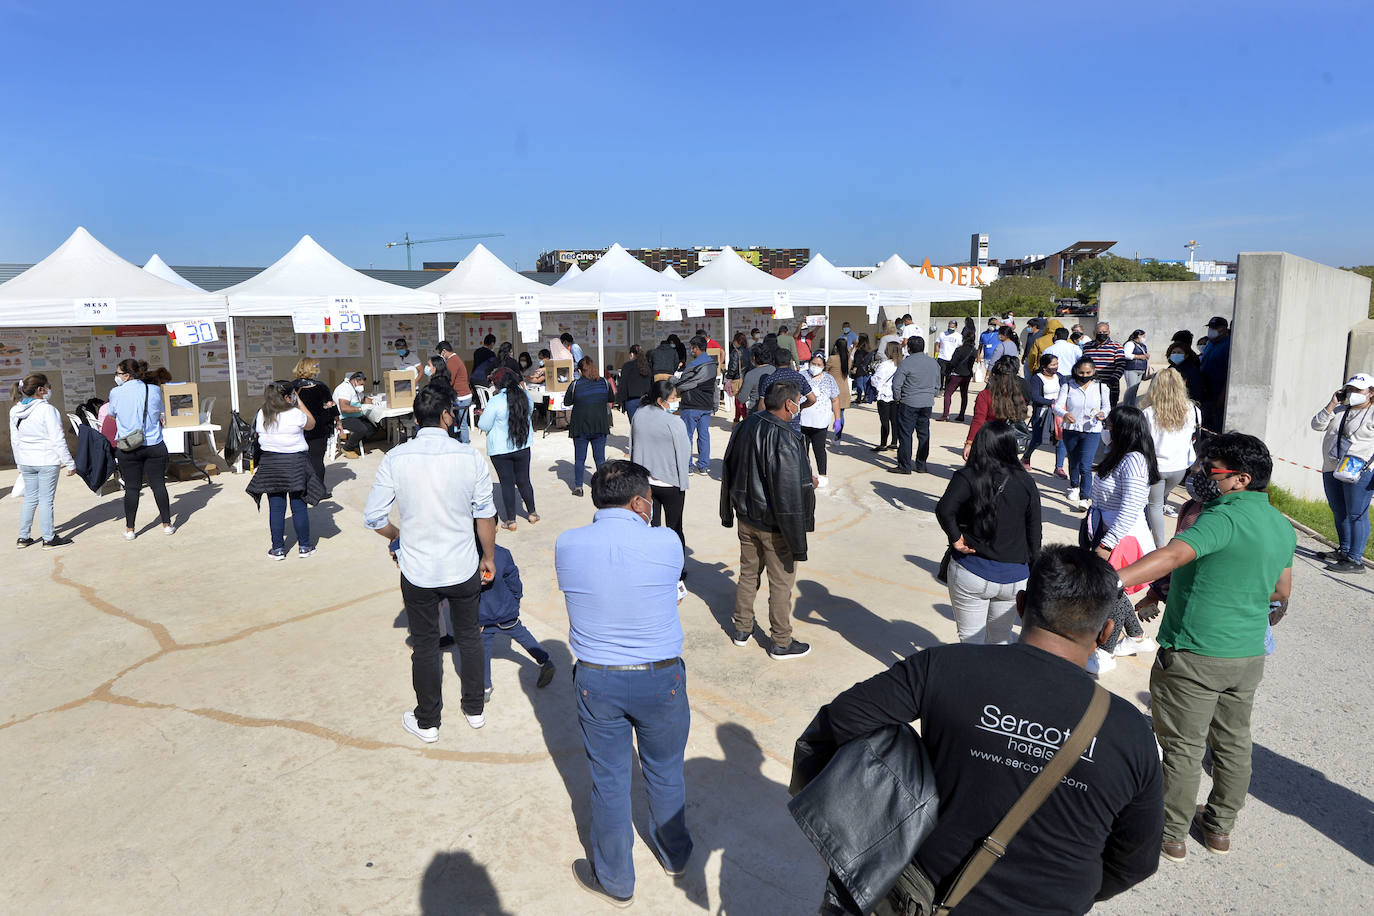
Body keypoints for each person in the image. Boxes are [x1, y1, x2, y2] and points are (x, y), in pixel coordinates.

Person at [802, 545, 1163, 914]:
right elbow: (1136, 861)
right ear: (1105, 632)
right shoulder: (1131, 732)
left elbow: (840, 722)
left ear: (1020, 605)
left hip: (920, 899)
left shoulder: (942, 667)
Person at [1118, 433, 1294, 863]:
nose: (1200, 475)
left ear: (1241, 479)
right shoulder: (1279, 523)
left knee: (1183, 746)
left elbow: (1172, 556)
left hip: (1195, 652)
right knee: (1233, 742)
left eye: (1211, 470)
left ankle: (1170, 834)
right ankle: (1219, 828)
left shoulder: (1220, 519)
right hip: (1247, 654)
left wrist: (1111, 580)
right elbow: (1281, 589)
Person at [555, 460, 691, 907]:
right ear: (637, 503)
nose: (652, 507)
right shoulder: (667, 540)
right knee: (665, 769)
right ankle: (674, 855)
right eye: (649, 500)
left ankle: (616, 881)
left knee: (609, 781)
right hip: (661, 677)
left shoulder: (567, 543)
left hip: (598, 680)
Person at [364, 383, 498, 740]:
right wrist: (488, 556)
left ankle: (428, 721)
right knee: (469, 637)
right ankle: (474, 709)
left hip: (418, 569)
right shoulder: (469, 457)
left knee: (425, 646)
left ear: (415, 417)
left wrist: (397, 537)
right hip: (463, 565)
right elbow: (485, 515)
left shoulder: (396, 458)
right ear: (446, 416)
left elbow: (374, 517)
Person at [720, 380, 816, 660]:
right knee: (781, 583)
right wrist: (797, 536)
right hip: (775, 524)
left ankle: (742, 628)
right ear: (788, 404)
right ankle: (781, 641)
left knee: (748, 573)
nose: (798, 406)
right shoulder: (786, 437)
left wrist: (729, 509)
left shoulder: (745, 425)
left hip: (746, 516)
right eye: (797, 401)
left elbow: (729, 468)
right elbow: (787, 492)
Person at [936, 421, 1042, 644]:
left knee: (970, 640)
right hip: (1014, 577)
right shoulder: (1026, 482)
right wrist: (1032, 574)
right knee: (1001, 638)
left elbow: (945, 509)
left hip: (973, 571)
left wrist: (956, 538)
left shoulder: (968, 475)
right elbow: (1034, 533)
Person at [1083, 405, 1161, 674]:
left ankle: (1105, 654)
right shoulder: (1119, 455)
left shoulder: (1134, 461)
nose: (1105, 430)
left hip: (1122, 538)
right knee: (1115, 588)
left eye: (1109, 426)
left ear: (1123, 429)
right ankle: (1137, 637)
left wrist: (1107, 544)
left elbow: (1130, 507)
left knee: (1111, 592)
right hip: (1109, 532)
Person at [246, 380, 323, 560]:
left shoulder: (262, 413)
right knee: (299, 507)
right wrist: (299, 401)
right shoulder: (295, 413)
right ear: (288, 397)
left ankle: (278, 549)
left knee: (276, 508)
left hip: (270, 464)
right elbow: (311, 423)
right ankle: (304, 546)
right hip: (295, 463)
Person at [1311, 372, 1374, 573]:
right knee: (1338, 510)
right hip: (1332, 466)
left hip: (1358, 470)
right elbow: (1317, 425)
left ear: (1371, 393)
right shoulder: (1339, 410)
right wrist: (1332, 404)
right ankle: (1344, 551)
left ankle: (1355, 559)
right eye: (1350, 389)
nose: (1353, 393)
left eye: (1358, 390)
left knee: (1356, 513)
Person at [107, 359, 175, 539]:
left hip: (128, 446)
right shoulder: (153, 389)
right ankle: (167, 525)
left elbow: (112, 415)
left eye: (118, 373)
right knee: (158, 485)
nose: (116, 377)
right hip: (154, 443)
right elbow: (159, 411)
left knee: (132, 488)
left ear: (126, 375)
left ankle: (130, 529)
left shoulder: (115, 392)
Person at [478, 544, 554, 703]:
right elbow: (513, 580)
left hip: (482, 615)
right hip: (506, 611)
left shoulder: (467, 554)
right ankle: (544, 661)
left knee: (482, 650)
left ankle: (485, 687)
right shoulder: (503, 553)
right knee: (522, 635)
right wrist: (516, 600)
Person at [9, 373, 76, 549]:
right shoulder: (48, 410)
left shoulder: (15, 410)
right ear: (40, 390)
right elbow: (57, 439)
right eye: (48, 386)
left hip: (26, 461)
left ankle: (23, 537)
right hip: (47, 460)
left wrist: (19, 463)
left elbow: (15, 440)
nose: (49, 390)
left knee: (30, 498)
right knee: (46, 500)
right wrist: (69, 462)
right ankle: (49, 538)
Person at [632, 380, 692, 558]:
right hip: (671, 484)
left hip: (646, 483)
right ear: (660, 400)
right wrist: (683, 481)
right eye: (673, 398)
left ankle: (655, 561)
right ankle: (677, 566)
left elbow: (633, 445)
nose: (676, 401)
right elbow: (684, 452)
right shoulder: (674, 422)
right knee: (675, 528)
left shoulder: (639, 415)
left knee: (652, 527)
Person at [1143, 368, 1201, 547]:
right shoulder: (1193, 410)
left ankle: (1159, 546)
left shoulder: (1148, 412)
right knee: (1157, 502)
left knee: (1154, 505)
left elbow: (1143, 442)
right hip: (1180, 467)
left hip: (1155, 467)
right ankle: (1148, 535)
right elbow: (1195, 436)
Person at [477, 369, 538, 532]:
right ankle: (532, 513)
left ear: (498, 383)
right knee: (524, 480)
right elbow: (529, 412)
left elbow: (484, 425)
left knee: (507, 483)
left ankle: (511, 520)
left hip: (500, 449)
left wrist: (482, 414)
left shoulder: (495, 401)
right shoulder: (526, 396)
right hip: (522, 445)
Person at [1054, 356, 1111, 511]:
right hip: (1071, 430)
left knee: (1086, 465)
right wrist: (1065, 414)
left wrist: (1102, 414)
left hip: (1092, 431)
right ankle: (1074, 485)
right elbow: (1057, 406)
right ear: (1075, 371)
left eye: (1088, 373)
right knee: (1074, 460)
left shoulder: (1102, 387)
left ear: (1094, 371)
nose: (1085, 376)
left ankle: (1085, 498)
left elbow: (1107, 407)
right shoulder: (1067, 386)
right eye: (1081, 373)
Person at [887, 337, 939, 475]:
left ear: (909, 348)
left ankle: (905, 465)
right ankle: (921, 465)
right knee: (924, 434)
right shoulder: (933, 362)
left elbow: (896, 385)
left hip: (909, 402)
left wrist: (898, 399)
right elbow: (938, 384)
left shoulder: (906, 363)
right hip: (927, 403)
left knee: (905, 434)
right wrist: (931, 395)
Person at [564, 355, 613, 497]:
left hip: (580, 426)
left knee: (580, 458)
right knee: (600, 458)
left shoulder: (575, 385)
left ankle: (578, 487)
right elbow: (611, 398)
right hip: (600, 425)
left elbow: (567, 402)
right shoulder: (604, 383)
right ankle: (603, 487)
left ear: (580, 371)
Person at [964, 354, 1028, 460]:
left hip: (989, 439)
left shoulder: (985, 395)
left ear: (994, 375)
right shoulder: (1018, 395)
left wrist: (969, 442)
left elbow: (978, 421)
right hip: (1010, 440)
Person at [291, 358, 339, 495]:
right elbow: (331, 406)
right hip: (319, 429)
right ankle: (318, 491)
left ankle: (301, 489)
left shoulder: (291, 387)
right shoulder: (321, 387)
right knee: (317, 460)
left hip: (298, 429)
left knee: (299, 460)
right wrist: (338, 421)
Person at [674, 335, 718, 475]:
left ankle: (688, 466)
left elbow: (683, 383)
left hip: (691, 405)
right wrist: (715, 404)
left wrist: (672, 380)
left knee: (687, 436)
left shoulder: (693, 365)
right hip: (706, 405)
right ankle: (703, 466)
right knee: (704, 436)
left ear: (697, 348)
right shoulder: (713, 364)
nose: (691, 351)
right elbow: (714, 386)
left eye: (692, 348)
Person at [801, 354, 841, 488]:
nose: (815, 367)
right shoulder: (802, 376)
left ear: (824, 366)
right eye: (813, 363)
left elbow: (835, 399)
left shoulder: (829, 379)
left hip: (820, 422)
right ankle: (805, 474)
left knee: (819, 449)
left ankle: (822, 475)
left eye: (819, 365)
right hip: (802, 421)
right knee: (802, 450)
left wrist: (838, 419)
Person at [1024, 353, 1068, 475]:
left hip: (1058, 413)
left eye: (1057, 364)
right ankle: (1026, 457)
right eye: (1052, 364)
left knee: (1061, 439)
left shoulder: (1059, 377)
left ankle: (1059, 467)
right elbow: (1035, 397)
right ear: (1044, 366)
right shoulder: (1037, 378)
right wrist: (1052, 402)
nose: (1056, 367)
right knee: (1037, 439)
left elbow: (1066, 391)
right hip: (1042, 414)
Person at [760, 348, 816, 433]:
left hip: (775, 424)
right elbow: (812, 399)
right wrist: (799, 407)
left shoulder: (769, 379)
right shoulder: (799, 377)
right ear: (790, 362)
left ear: (774, 362)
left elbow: (761, 405)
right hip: (794, 425)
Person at [1198, 316, 1231, 434]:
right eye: (1210, 327)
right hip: (1205, 392)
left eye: (1215, 328)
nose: (1211, 330)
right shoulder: (1210, 344)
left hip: (1217, 394)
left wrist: (1222, 395)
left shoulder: (1228, 345)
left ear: (1224, 329)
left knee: (1215, 426)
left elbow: (1229, 373)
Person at [1082, 322, 1127, 408]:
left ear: (1109, 333)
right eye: (1099, 332)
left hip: (1110, 386)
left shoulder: (1117, 346)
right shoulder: (1086, 346)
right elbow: (1083, 364)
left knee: (1110, 410)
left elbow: (1121, 365)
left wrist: (1113, 380)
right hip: (1091, 386)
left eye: (1104, 332)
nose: (1102, 334)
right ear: (1094, 333)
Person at [437, 340, 474, 443]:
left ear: (444, 351)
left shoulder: (452, 361)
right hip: (462, 395)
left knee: (462, 423)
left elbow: (449, 380)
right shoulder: (455, 359)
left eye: (440, 353)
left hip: (462, 396)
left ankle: (465, 444)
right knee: (459, 422)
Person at [332, 371, 378, 456]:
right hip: (342, 418)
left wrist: (375, 401)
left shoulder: (355, 388)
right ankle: (347, 448)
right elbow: (344, 408)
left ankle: (355, 445)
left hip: (355, 415)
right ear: (354, 381)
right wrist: (360, 408)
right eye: (361, 384)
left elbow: (363, 399)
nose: (362, 387)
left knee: (373, 428)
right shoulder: (344, 389)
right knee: (362, 429)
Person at [938, 327, 977, 422]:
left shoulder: (959, 349)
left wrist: (948, 369)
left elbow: (953, 362)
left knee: (948, 393)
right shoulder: (973, 350)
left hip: (957, 374)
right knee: (964, 395)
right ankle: (961, 414)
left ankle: (945, 414)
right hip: (967, 374)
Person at [870, 340, 902, 452]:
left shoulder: (884, 365)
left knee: (884, 421)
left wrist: (872, 380)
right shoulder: (901, 364)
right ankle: (894, 442)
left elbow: (877, 380)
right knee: (895, 420)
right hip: (896, 395)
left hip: (884, 394)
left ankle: (883, 443)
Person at [617, 344, 653, 426]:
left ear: (632, 354)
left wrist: (621, 401)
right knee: (646, 426)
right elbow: (652, 384)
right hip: (646, 400)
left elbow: (623, 385)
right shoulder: (648, 366)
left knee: (634, 427)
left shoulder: (627, 366)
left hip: (631, 401)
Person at [1163, 339, 1207, 405]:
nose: (1176, 354)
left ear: (1186, 355)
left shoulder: (1191, 370)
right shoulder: (1171, 367)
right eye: (1173, 352)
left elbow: (1195, 391)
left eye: (1179, 352)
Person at [825, 337, 851, 441]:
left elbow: (825, 371)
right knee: (840, 414)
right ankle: (838, 436)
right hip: (844, 389)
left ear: (836, 347)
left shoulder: (832, 358)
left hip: (832, 389)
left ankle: (823, 434)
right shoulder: (848, 359)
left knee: (826, 413)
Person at [738, 343, 775, 414]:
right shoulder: (775, 370)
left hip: (755, 411)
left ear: (754, 358)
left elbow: (742, 399)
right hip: (773, 410)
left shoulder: (750, 374)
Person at [725, 331, 751, 423]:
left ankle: (745, 421)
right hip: (746, 378)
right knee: (738, 401)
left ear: (737, 341)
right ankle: (736, 420)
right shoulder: (748, 351)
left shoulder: (735, 352)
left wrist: (728, 376)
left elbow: (733, 367)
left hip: (737, 379)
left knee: (740, 402)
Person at [850, 334, 875, 404]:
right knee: (865, 384)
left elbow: (858, 359)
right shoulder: (869, 349)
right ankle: (866, 397)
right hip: (866, 368)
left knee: (859, 384)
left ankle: (859, 398)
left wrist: (855, 367)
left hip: (860, 368)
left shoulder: (859, 349)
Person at [936, 320, 961, 387]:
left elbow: (960, 347)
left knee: (948, 375)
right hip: (942, 357)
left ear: (956, 327)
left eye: (952, 327)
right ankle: (940, 387)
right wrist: (936, 355)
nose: (950, 328)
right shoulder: (942, 334)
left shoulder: (958, 336)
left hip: (952, 358)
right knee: (941, 373)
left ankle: (947, 387)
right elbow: (937, 344)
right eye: (949, 327)